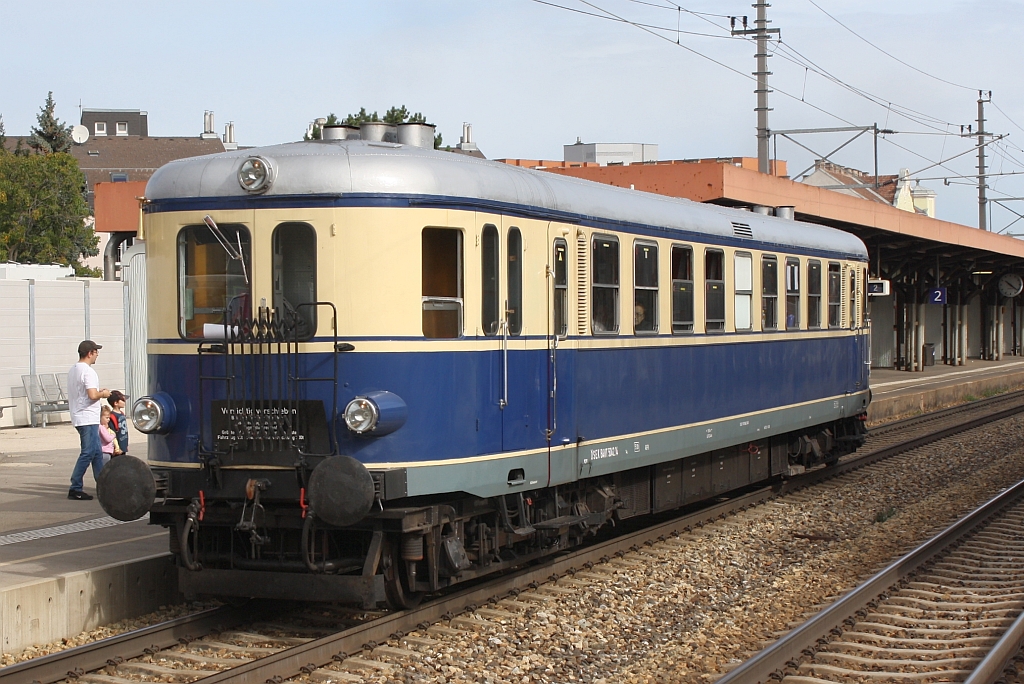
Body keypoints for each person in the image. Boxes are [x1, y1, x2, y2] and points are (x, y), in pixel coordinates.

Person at [67, 340, 111, 500]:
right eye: (96, 352)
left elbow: (83, 393)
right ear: (89, 353)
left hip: (79, 415)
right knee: (88, 452)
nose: (97, 355)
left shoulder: (73, 370)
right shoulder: (88, 371)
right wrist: (103, 394)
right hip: (87, 417)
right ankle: (75, 487)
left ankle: (103, 484)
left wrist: (97, 392)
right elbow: (92, 395)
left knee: (97, 452)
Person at [108, 390, 129, 456]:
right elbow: (113, 433)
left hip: (123, 445)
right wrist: (116, 447)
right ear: (116, 403)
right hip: (117, 448)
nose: (124, 402)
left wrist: (125, 445)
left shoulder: (122, 414)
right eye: (122, 400)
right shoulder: (112, 416)